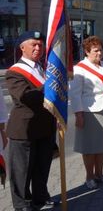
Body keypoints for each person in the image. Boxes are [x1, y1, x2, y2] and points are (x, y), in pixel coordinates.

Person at [5, 31, 59, 210]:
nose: (38, 48)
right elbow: (25, 96)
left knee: (41, 168)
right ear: (22, 48)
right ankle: (22, 205)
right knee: (22, 172)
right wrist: (50, 86)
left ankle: (40, 198)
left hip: (45, 128)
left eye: (40, 45)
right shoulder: (14, 71)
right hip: (24, 130)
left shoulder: (41, 67)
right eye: (33, 44)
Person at [69, 36, 103, 189]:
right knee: (89, 147)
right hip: (89, 111)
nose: (99, 53)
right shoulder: (80, 69)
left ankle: (100, 174)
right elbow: (75, 94)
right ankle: (89, 176)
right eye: (95, 50)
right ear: (87, 51)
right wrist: (79, 114)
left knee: (101, 146)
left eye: (101, 50)